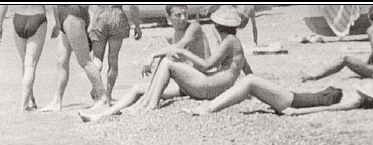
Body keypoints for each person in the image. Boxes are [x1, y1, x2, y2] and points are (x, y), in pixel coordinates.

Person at [78, 5, 247, 121]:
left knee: (166, 62)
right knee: (138, 87)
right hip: (191, 85)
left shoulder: (194, 27)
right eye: (177, 15)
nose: (182, 18)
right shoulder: (174, 35)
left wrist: (153, 55)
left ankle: (149, 105)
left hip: (202, 82)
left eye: (184, 14)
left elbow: (185, 52)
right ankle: (105, 114)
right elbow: (243, 62)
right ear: (168, 18)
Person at [191, 76, 373, 116]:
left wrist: (296, 113)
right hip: (294, 99)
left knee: (250, 81)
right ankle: (210, 107)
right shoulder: (353, 96)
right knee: (249, 82)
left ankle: (209, 108)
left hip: (294, 102)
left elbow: (329, 108)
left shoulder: (355, 100)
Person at [39, 5, 110, 111]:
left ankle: (102, 97)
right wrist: (57, 22)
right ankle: (57, 101)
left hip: (72, 14)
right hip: (65, 14)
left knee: (84, 61)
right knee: (61, 60)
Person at [301, 6, 373, 83]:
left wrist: (368, 63)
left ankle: (315, 77)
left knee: (345, 59)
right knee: (358, 60)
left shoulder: (372, 29)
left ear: (369, 16)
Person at [0, 6, 55, 111]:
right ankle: (23, 106)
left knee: (25, 63)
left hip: (18, 18)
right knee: (30, 65)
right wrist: (58, 22)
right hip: (37, 17)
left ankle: (30, 99)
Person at [88, 5, 142, 97]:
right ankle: (108, 95)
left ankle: (96, 88)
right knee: (113, 59)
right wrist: (137, 26)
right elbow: (133, 6)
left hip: (99, 15)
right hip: (117, 16)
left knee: (97, 58)